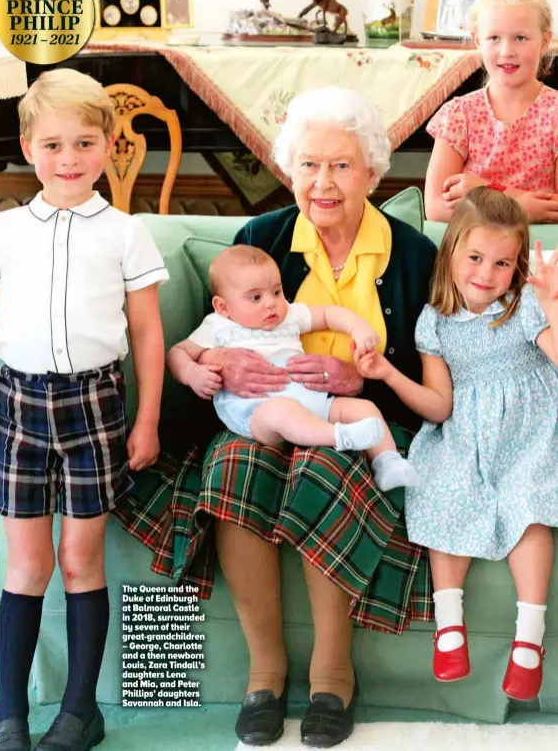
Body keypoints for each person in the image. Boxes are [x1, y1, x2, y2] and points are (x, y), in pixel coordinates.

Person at [114, 86, 437, 748]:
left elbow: (429, 377)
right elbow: (210, 336)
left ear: (372, 173)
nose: (323, 182)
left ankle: (331, 673)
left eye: (341, 166)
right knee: (231, 466)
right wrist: (220, 368)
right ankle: (265, 669)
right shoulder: (259, 240)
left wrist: (363, 379)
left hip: (356, 418)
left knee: (325, 464)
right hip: (253, 418)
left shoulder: (410, 254)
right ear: (289, 169)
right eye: (308, 165)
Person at [0, 68, 167, 751]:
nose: (69, 159)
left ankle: (80, 710)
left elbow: (146, 333)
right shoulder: (3, 232)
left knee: (81, 561)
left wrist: (146, 420)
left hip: (94, 406)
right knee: (28, 567)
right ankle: (9, 714)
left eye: (84, 143)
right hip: (17, 405)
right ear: (28, 147)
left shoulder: (126, 234)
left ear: (109, 146)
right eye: (52, 145)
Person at [356, 187, 558, 701]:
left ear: (517, 266)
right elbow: (440, 406)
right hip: (463, 432)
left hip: (530, 429)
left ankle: (528, 641)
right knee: (444, 490)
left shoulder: (527, 305)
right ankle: (450, 628)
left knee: (528, 502)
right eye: (475, 257)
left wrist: (554, 310)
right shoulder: (435, 322)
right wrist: (387, 375)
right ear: (451, 253)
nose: (486, 274)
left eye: (502, 262)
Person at [167, 245, 417, 491]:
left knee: (363, 408)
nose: (271, 303)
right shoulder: (218, 325)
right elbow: (177, 353)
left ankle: (388, 462)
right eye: (256, 297)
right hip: (257, 411)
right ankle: (340, 436)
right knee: (283, 411)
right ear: (223, 307)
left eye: (277, 292)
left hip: (311, 399)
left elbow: (329, 314)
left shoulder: (289, 316)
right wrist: (192, 373)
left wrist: (357, 328)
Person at [425, 0, 558, 224]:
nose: (506, 50)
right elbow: (434, 208)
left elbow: (554, 208)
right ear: (477, 40)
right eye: (494, 38)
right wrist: (519, 207)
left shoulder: (555, 113)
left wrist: (485, 191)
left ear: (545, 41)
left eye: (520, 38)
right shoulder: (460, 114)